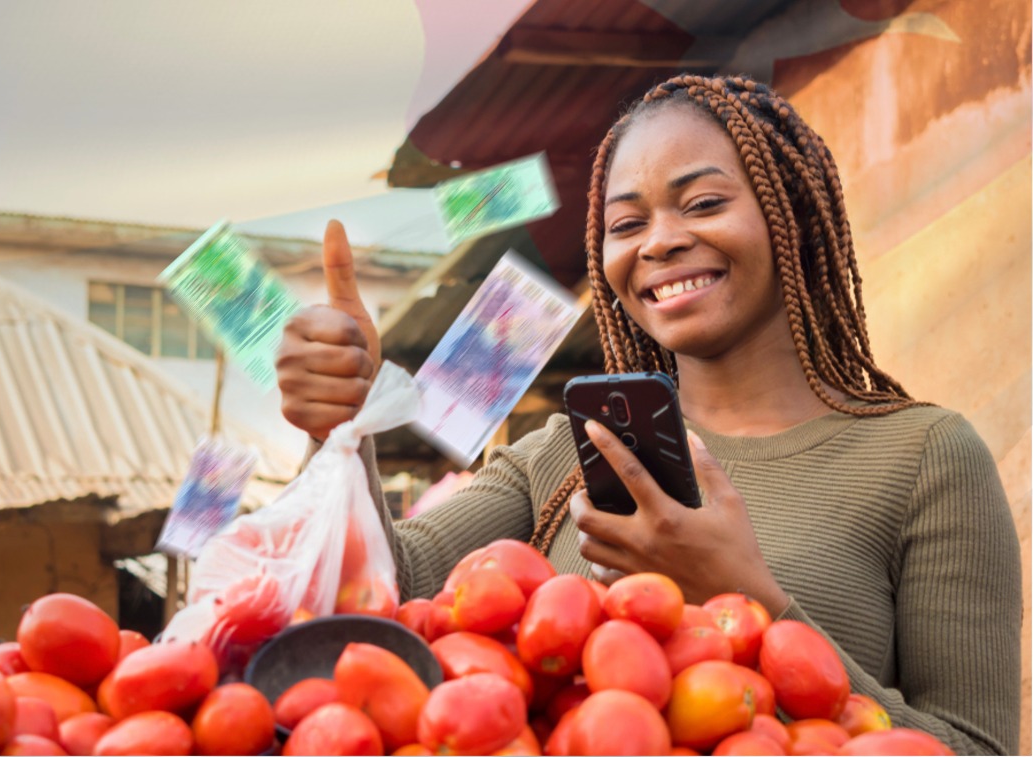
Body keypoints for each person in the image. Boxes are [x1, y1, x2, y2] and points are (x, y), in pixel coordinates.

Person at [275, 74, 1022, 754]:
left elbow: (973, 746)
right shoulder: (567, 452)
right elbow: (381, 591)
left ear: (788, 213)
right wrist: (341, 431)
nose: (660, 241)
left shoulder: (924, 456)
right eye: (626, 225)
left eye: (703, 203)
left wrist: (746, 592)